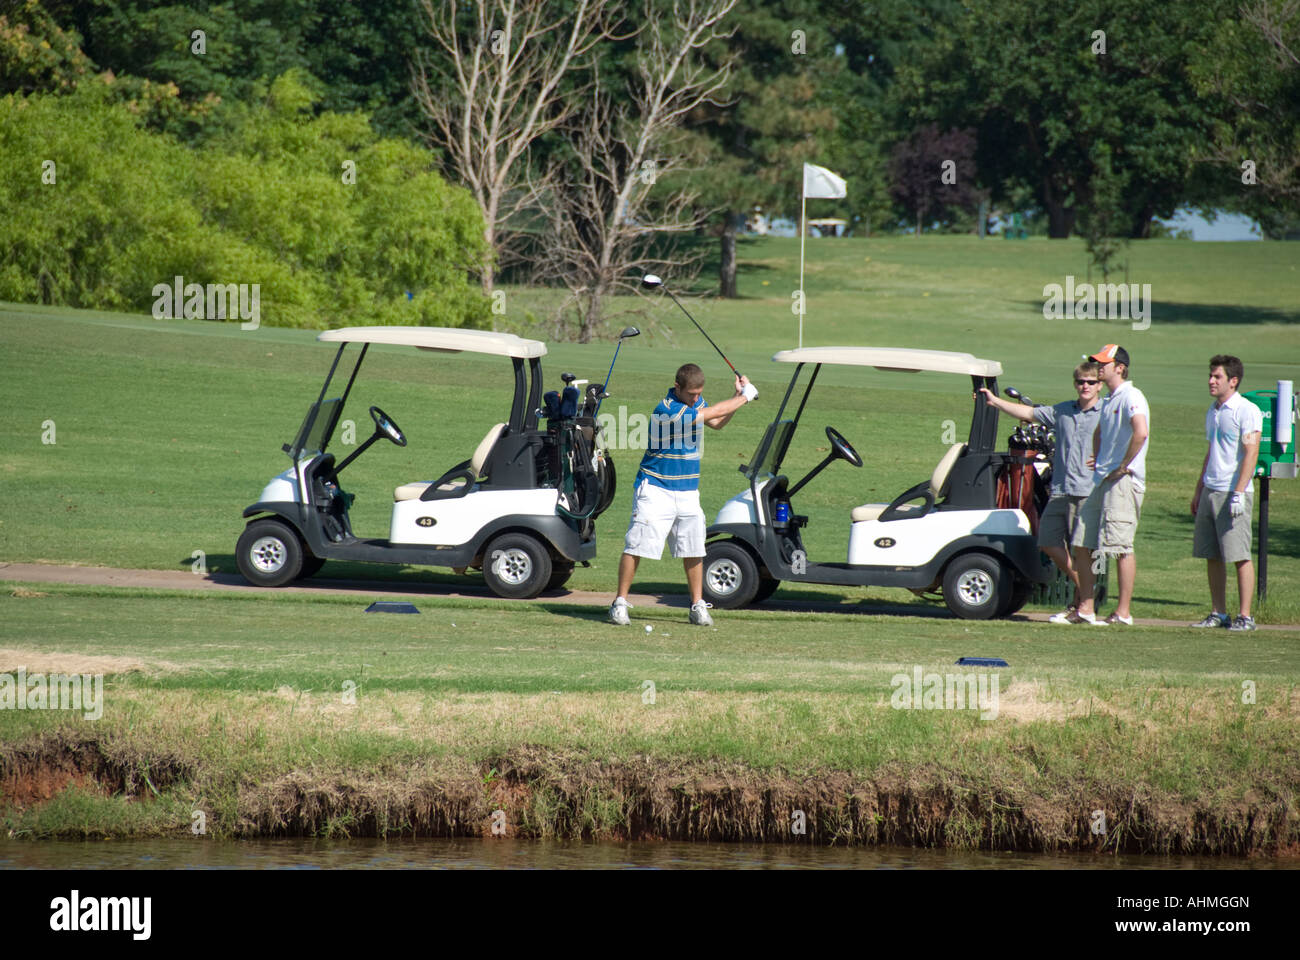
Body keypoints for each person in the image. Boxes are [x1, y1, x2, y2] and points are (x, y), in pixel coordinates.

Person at [610, 363, 758, 626]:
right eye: (691, 394)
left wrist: (739, 397)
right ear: (677, 387)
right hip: (656, 488)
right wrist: (745, 397)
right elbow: (712, 412)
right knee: (637, 545)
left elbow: (717, 421)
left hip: (687, 490)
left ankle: (697, 605)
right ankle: (619, 603)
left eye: (699, 393)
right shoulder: (667, 410)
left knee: (693, 548)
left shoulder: (695, 402)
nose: (696, 398)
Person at [978, 360, 1103, 621]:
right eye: (1081, 382)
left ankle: (1082, 606)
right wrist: (995, 401)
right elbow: (1028, 414)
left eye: (1090, 382)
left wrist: (1109, 460)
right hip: (1060, 489)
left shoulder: (1106, 412)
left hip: (1088, 491)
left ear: (1099, 385)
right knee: (1047, 542)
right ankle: (1084, 590)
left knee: (1082, 549)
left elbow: (1132, 436)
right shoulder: (1063, 411)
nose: (1085, 386)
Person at [1068, 344, 1150, 625]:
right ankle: (1086, 609)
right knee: (1082, 541)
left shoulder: (1131, 395)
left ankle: (1123, 612)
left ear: (1120, 368)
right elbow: (1100, 432)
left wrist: (1123, 465)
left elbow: (1141, 432)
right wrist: (1099, 458)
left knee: (1120, 546)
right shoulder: (1111, 399)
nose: (1098, 367)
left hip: (1123, 481)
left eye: (1104, 363)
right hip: (1103, 480)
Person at [1191, 355, 1262, 631]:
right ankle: (1218, 612)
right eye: (1210, 375)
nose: (1211, 381)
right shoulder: (1214, 410)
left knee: (1239, 554)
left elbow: (1251, 451)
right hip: (1211, 489)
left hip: (1233, 492)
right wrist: (1199, 490)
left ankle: (1245, 616)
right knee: (1212, 554)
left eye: (1217, 376)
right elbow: (1211, 452)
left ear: (1233, 381)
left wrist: (1239, 492)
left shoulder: (1246, 410)